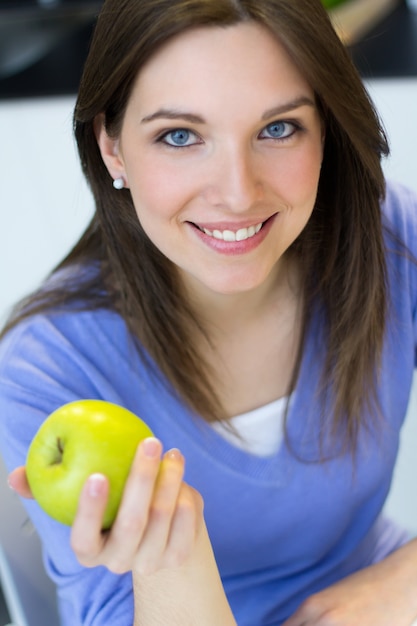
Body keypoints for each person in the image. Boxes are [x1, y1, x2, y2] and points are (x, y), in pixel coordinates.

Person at [1, 0, 417, 624]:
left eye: (278, 128)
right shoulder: (45, 370)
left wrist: (397, 587)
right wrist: (172, 558)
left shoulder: (389, 241)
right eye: (179, 136)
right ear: (112, 147)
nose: (237, 192)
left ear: (326, 128)